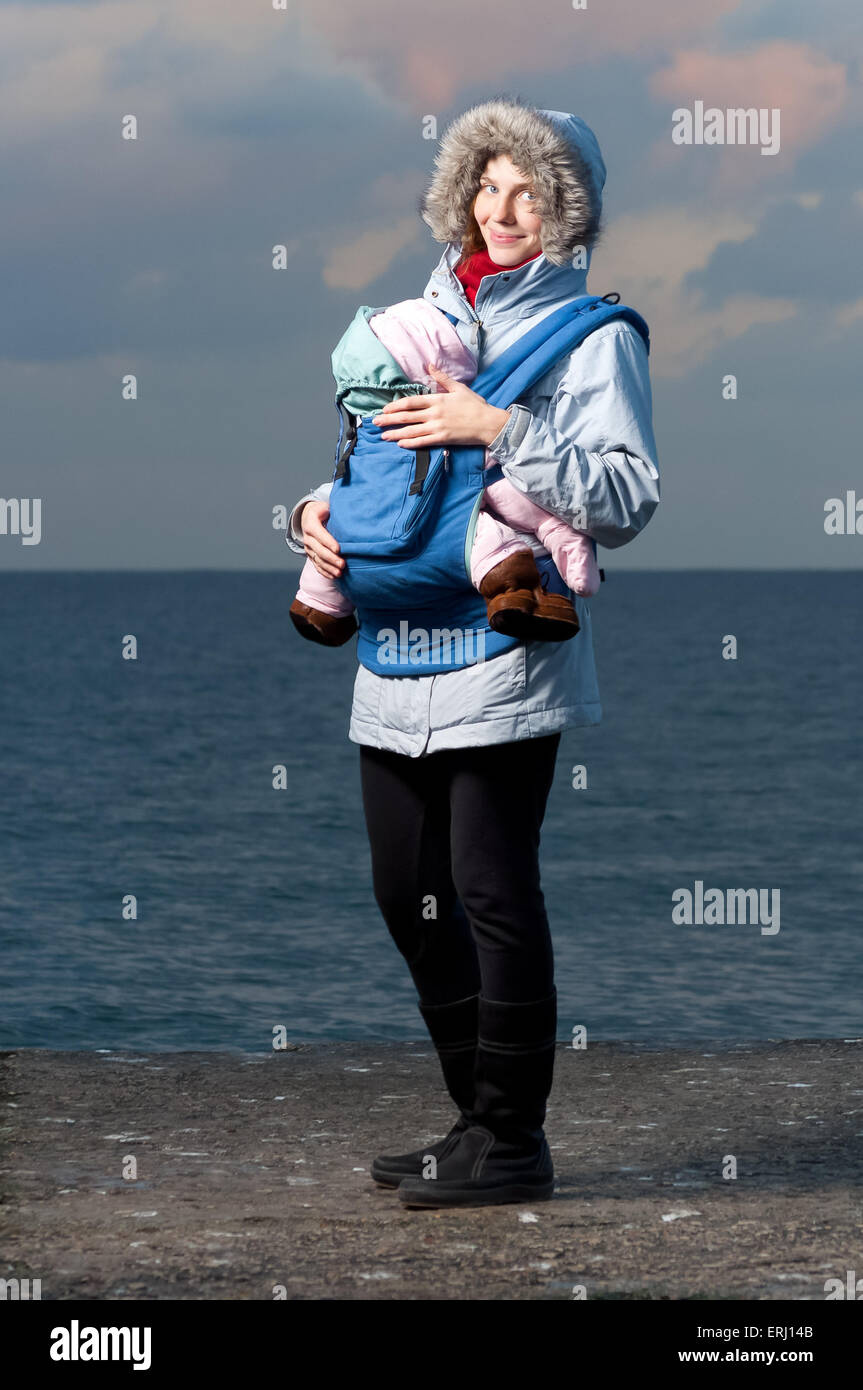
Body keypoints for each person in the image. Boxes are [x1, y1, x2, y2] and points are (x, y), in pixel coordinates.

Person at [284, 98, 660, 1208]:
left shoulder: (595, 335)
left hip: (507, 653)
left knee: (490, 893)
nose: (503, 210)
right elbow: (368, 465)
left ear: (568, 209)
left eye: (530, 191)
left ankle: (512, 1140)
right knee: (406, 894)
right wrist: (310, 514)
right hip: (394, 649)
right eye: (488, 186)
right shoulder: (411, 319)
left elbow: (627, 496)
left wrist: (498, 430)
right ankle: (470, 1120)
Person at [289, 295, 603, 649]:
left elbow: (349, 483)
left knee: (335, 554)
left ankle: (318, 606)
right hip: (438, 577)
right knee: (486, 534)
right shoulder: (451, 415)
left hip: (365, 585)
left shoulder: (361, 431)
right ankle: (514, 593)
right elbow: (502, 491)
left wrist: (314, 513)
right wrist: (306, 515)